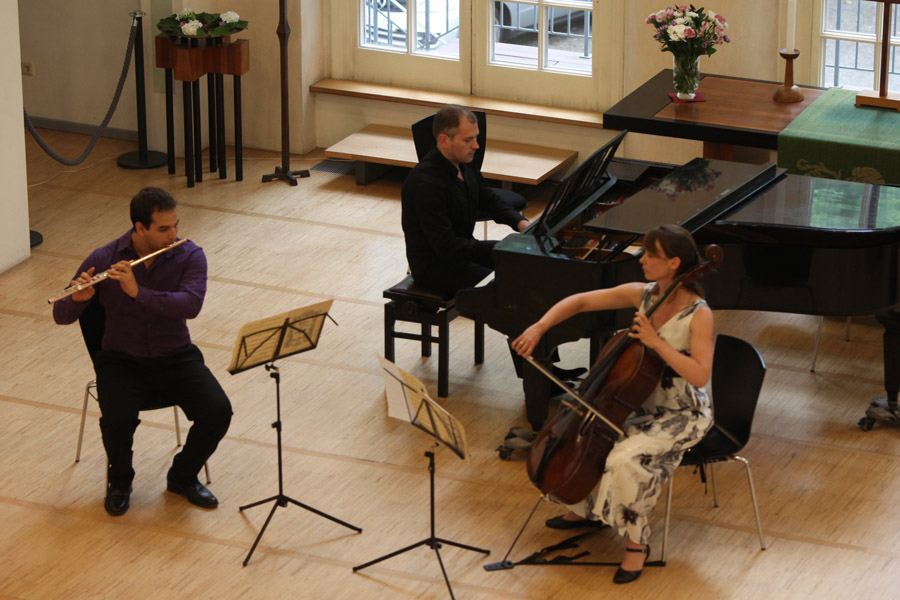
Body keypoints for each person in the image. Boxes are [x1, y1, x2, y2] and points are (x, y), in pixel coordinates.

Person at [512, 224, 714, 584]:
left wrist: (655, 342)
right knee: (594, 442)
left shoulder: (699, 314)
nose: (642, 259)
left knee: (625, 459)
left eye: (651, 254)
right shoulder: (644, 295)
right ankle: (585, 508)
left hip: (683, 414)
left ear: (674, 263)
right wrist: (539, 327)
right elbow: (581, 301)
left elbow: (700, 376)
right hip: (639, 405)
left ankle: (637, 544)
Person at [53, 187, 232, 517]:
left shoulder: (189, 255)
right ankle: (120, 482)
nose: (173, 235)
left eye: (175, 225)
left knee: (218, 411)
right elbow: (60, 315)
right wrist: (78, 299)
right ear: (140, 228)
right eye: (163, 229)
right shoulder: (103, 257)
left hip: (175, 354)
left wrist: (139, 292)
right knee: (117, 420)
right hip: (121, 360)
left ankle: (182, 476)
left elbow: (191, 305)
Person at [401, 104, 530, 296]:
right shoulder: (425, 183)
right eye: (468, 140)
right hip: (435, 268)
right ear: (444, 140)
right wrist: (501, 247)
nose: (476, 145)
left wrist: (521, 223)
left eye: (476, 138)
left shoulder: (464, 163)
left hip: (461, 253)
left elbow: (488, 199)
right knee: (510, 286)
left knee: (527, 265)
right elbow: (447, 246)